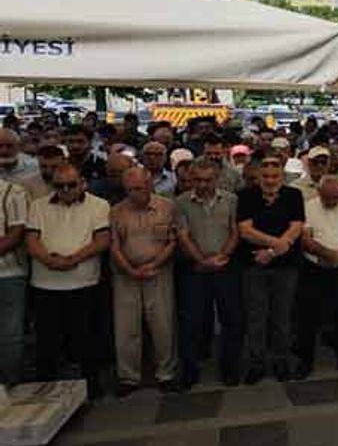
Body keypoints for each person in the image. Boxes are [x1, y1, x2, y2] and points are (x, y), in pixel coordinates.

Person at [25, 164, 110, 398]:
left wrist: (72, 259)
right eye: (59, 186)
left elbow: (102, 240)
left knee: (85, 339)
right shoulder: (38, 206)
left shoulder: (99, 205)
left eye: (71, 185)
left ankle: (91, 388)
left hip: (84, 283)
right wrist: (49, 260)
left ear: (82, 182)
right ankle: (45, 390)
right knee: (47, 342)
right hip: (45, 284)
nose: (65, 190)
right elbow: (31, 240)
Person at [110, 167, 181, 394]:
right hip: (126, 275)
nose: (134, 194)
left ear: (150, 186)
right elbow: (114, 246)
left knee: (163, 324)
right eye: (129, 190)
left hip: (159, 272)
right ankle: (128, 377)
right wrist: (130, 270)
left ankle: (166, 374)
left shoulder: (167, 207)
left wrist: (154, 265)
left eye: (139, 189)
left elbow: (172, 241)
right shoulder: (116, 211)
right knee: (126, 327)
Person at [237, 156, 305, 384]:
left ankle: (281, 361)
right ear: (258, 177)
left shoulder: (293, 195)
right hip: (254, 264)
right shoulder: (245, 196)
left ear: (282, 177)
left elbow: (296, 227)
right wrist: (276, 245)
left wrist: (271, 251)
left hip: (286, 266)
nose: (270, 180)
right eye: (265, 176)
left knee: (282, 316)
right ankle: (257, 363)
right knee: (255, 316)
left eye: (275, 176)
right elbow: (245, 231)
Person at [175, 158, 242, 387]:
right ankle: (190, 369)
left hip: (226, 266)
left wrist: (221, 257)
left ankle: (230, 368)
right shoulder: (181, 202)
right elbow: (183, 236)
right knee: (192, 321)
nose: (203, 185)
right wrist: (202, 261)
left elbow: (235, 232)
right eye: (197, 180)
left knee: (231, 319)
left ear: (217, 179)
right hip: (195, 268)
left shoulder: (231, 200)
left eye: (208, 180)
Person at [300, 176, 338, 377]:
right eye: (328, 198)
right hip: (314, 267)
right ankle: (305, 361)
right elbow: (305, 239)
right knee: (308, 316)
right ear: (319, 193)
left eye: (336, 198)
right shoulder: (308, 207)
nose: (332, 202)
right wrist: (328, 254)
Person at [0, 174, 29, 386]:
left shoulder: (13, 192)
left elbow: (16, 234)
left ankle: (10, 382)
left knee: (10, 334)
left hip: (10, 274)